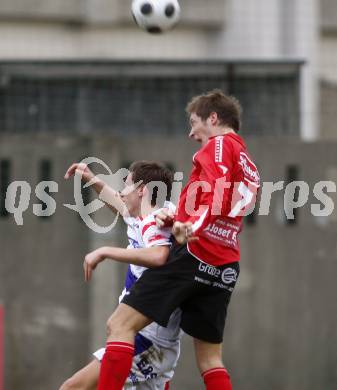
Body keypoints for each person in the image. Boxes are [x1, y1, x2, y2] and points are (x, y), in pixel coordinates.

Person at [96, 90, 261, 390]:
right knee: (211, 360)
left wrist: (188, 226)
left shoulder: (220, 145)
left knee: (119, 325)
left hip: (195, 254)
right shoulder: (250, 164)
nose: (191, 132)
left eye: (194, 122)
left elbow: (218, 191)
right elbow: (225, 209)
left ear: (213, 118)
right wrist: (178, 219)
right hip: (224, 265)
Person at [59, 161, 181, 390]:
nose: (122, 193)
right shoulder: (142, 214)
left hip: (147, 339)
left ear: (142, 190)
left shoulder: (154, 222)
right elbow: (118, 203)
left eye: (126, 186)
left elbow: (158, 255)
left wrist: (105, 251)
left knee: (72, 388)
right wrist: (89, 177)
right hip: (151, 338)